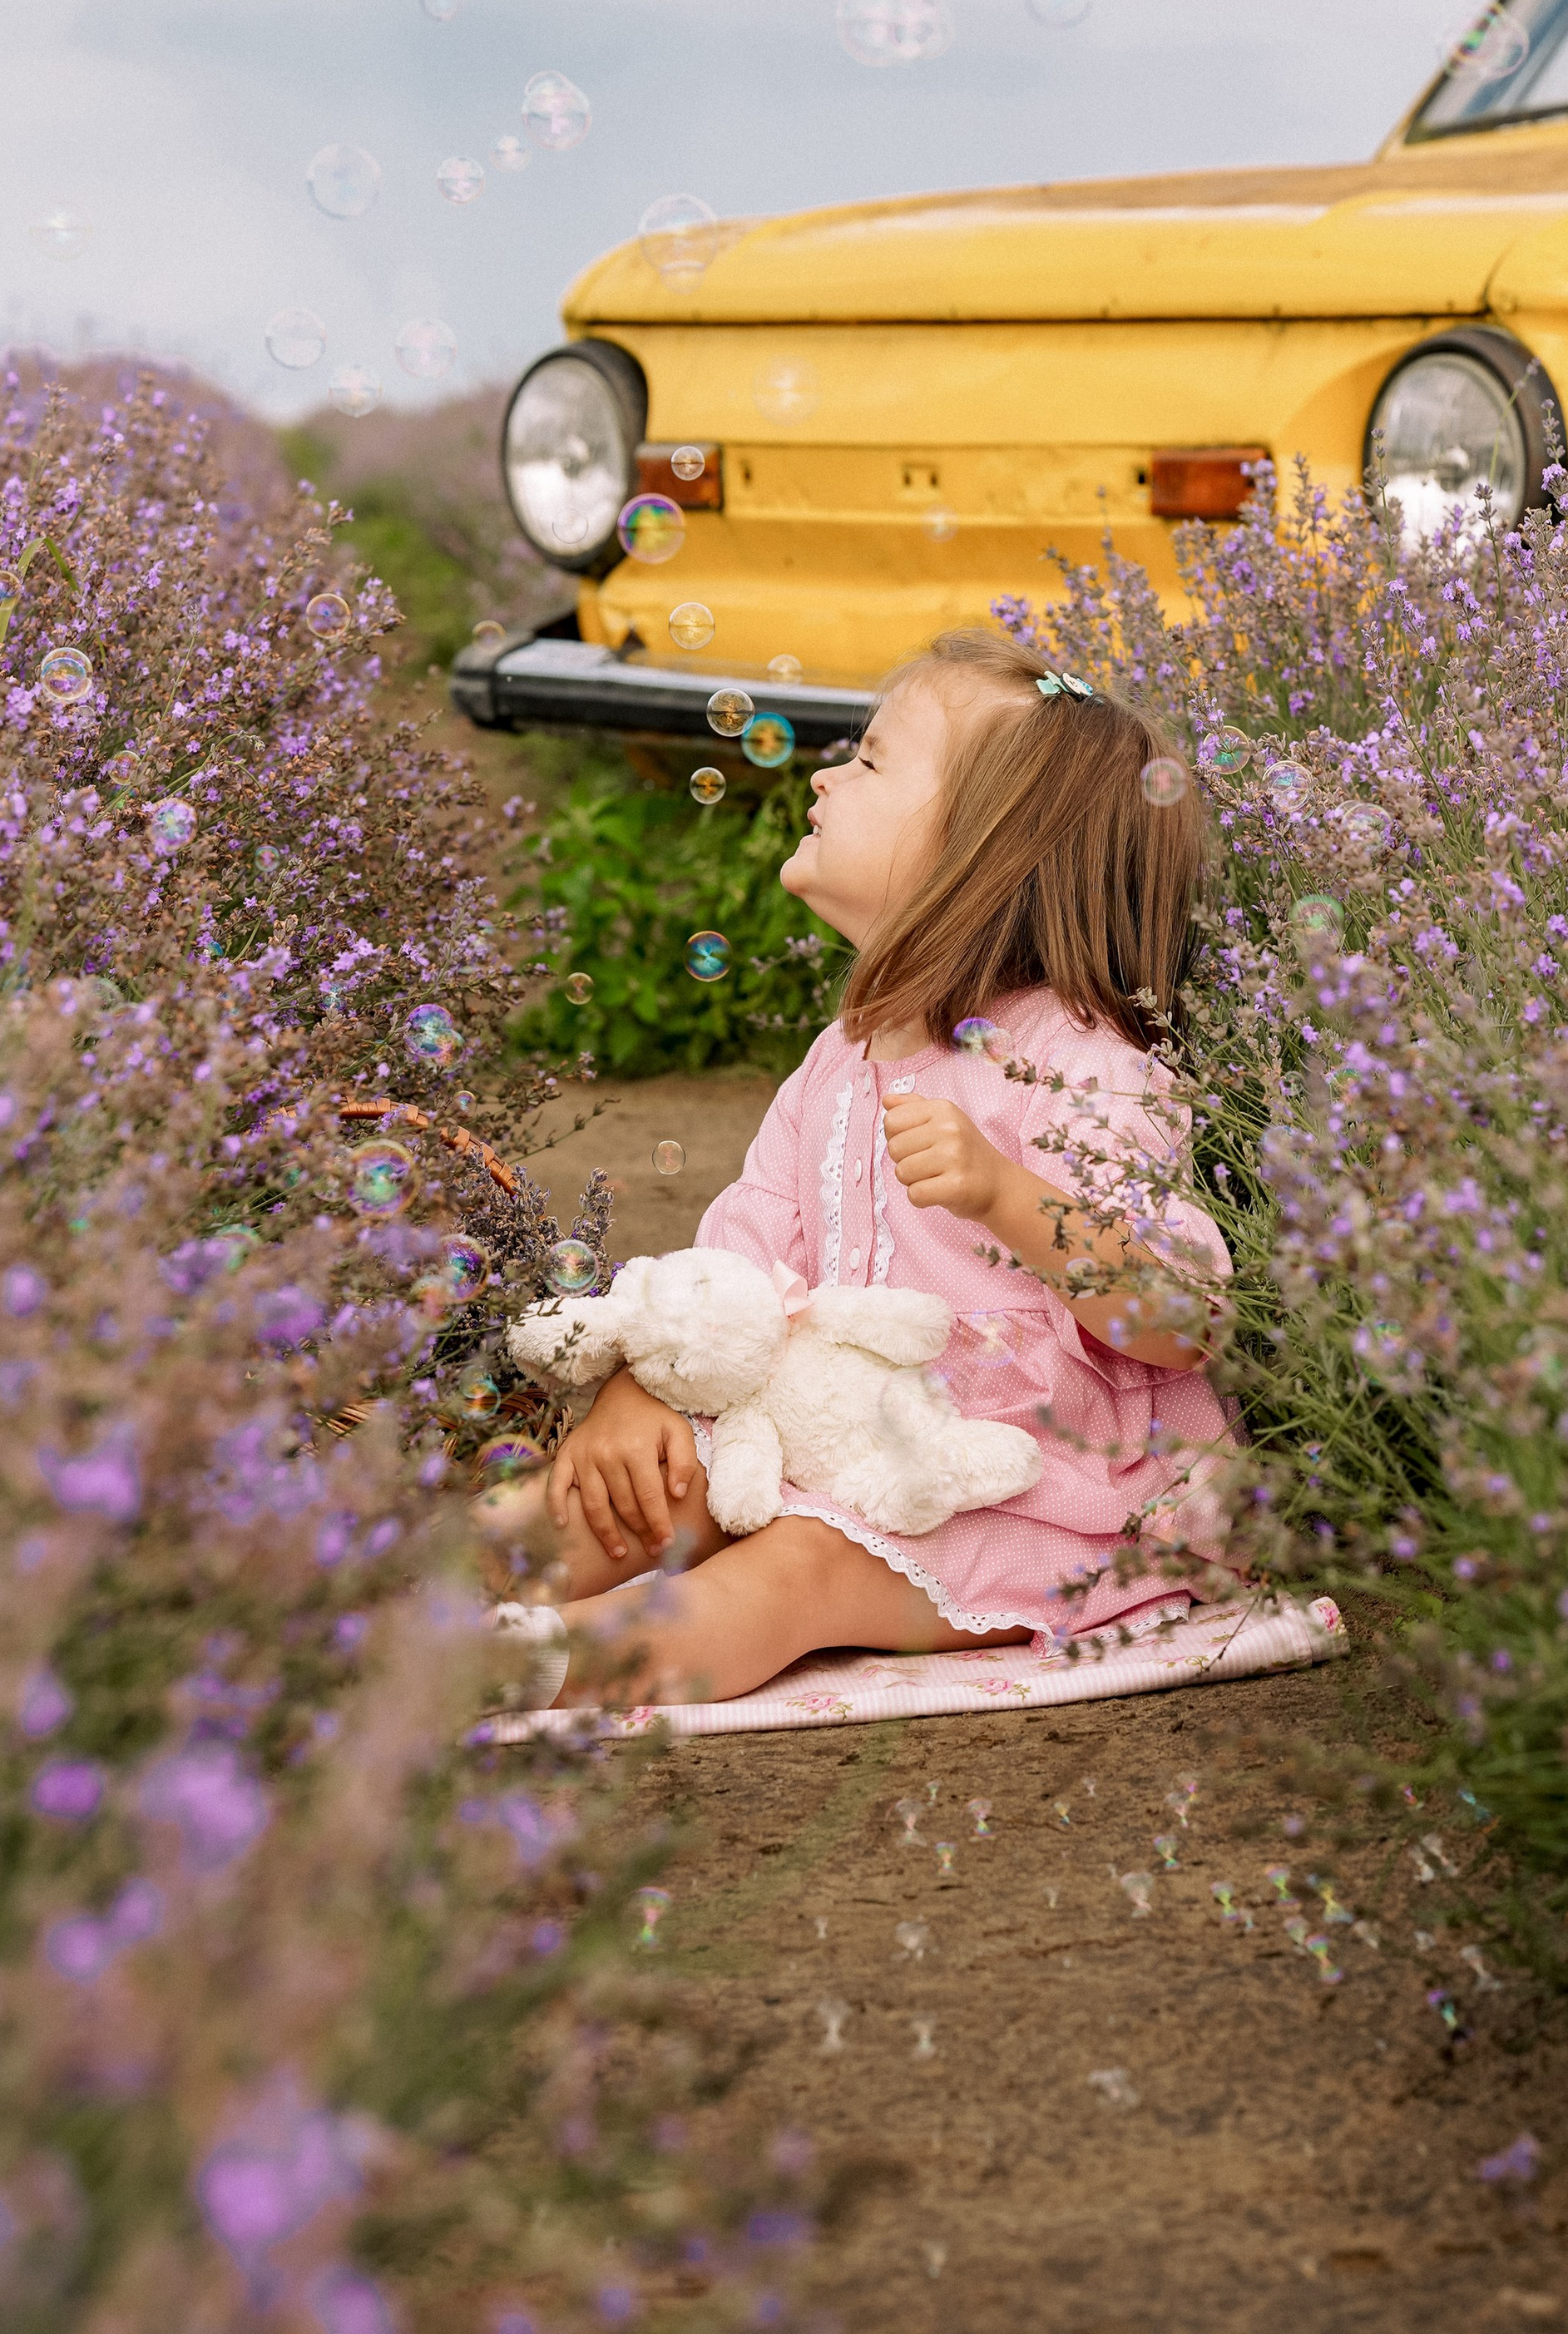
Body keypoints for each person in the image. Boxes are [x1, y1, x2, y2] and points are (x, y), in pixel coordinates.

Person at [499, 627, 1238, 1707]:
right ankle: (364, 1604)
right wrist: (635, 1392)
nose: (825, 775)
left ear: (986, 851)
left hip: (1030, 1489)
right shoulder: (837, 1062)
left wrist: (1010, 1196)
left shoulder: (1081, 1066)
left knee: (800, 1567)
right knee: (627, 1491)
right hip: (827, 1434)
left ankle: (525, 1664)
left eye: (872, 760)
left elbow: (1181, 1319)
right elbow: (737, 1271)